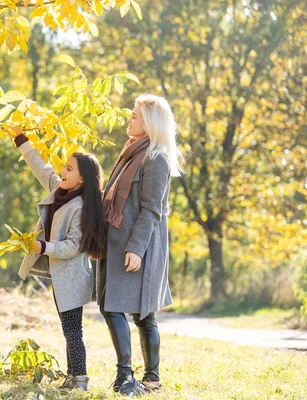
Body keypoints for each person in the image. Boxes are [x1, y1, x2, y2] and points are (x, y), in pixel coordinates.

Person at [7, 125, 107, 391]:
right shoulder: (58, 191)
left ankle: (81, 379)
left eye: (70, 169)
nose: (63, 172)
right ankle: (73, 376)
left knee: (73, 329)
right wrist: (21, 140)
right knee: (69, 328)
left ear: (83, 179)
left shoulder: (81, 207)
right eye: (64, 167)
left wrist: (45, 246)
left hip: (73, 275)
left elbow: (73, 246)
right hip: (61, 275)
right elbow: (40, 167)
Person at [98, 94, 184, 396]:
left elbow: (151, 209)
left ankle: (141, 379)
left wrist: (136, 248)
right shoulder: (130, 153)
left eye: (135, 115)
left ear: (150, 123)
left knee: (143, 314)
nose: (129, 118)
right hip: (115, 241)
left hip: (138, 245)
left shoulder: (156, 159)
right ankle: (135, 378)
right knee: (112, 306)